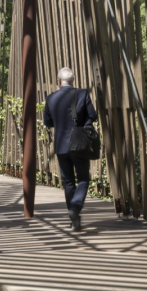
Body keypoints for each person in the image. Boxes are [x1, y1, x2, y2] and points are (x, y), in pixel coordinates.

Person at [43, 67, 97, 231]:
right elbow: (93, 115)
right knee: (83, 180)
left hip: (61, 146)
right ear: (73, 80)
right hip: (79, 143)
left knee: (68, 183)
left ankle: (74, 221)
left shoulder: (51, 98)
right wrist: (85, 122)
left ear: (59, 81)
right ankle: (75, 208)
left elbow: (48, 122)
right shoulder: (82, 94)